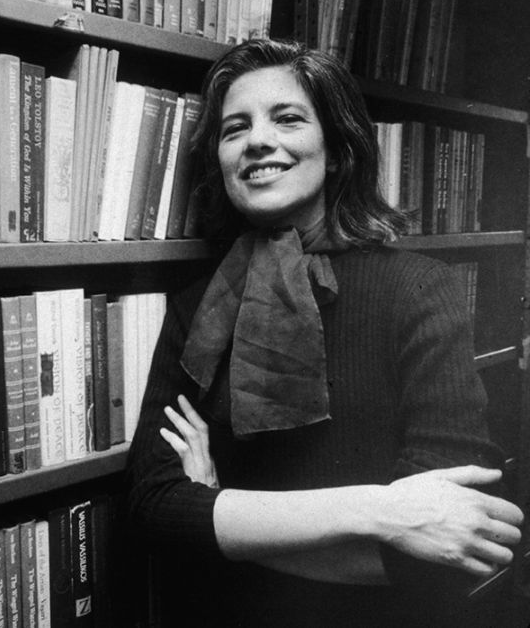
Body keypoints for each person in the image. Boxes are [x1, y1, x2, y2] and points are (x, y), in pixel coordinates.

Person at [125, 39, 524, 627]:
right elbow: (154, 508)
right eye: (235, 128)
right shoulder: (196, 307)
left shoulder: (419, 290)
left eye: (287, 118)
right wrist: (383, 512)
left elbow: (453, 545)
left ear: (337, 150)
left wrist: (220, 517)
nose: (257, 140)